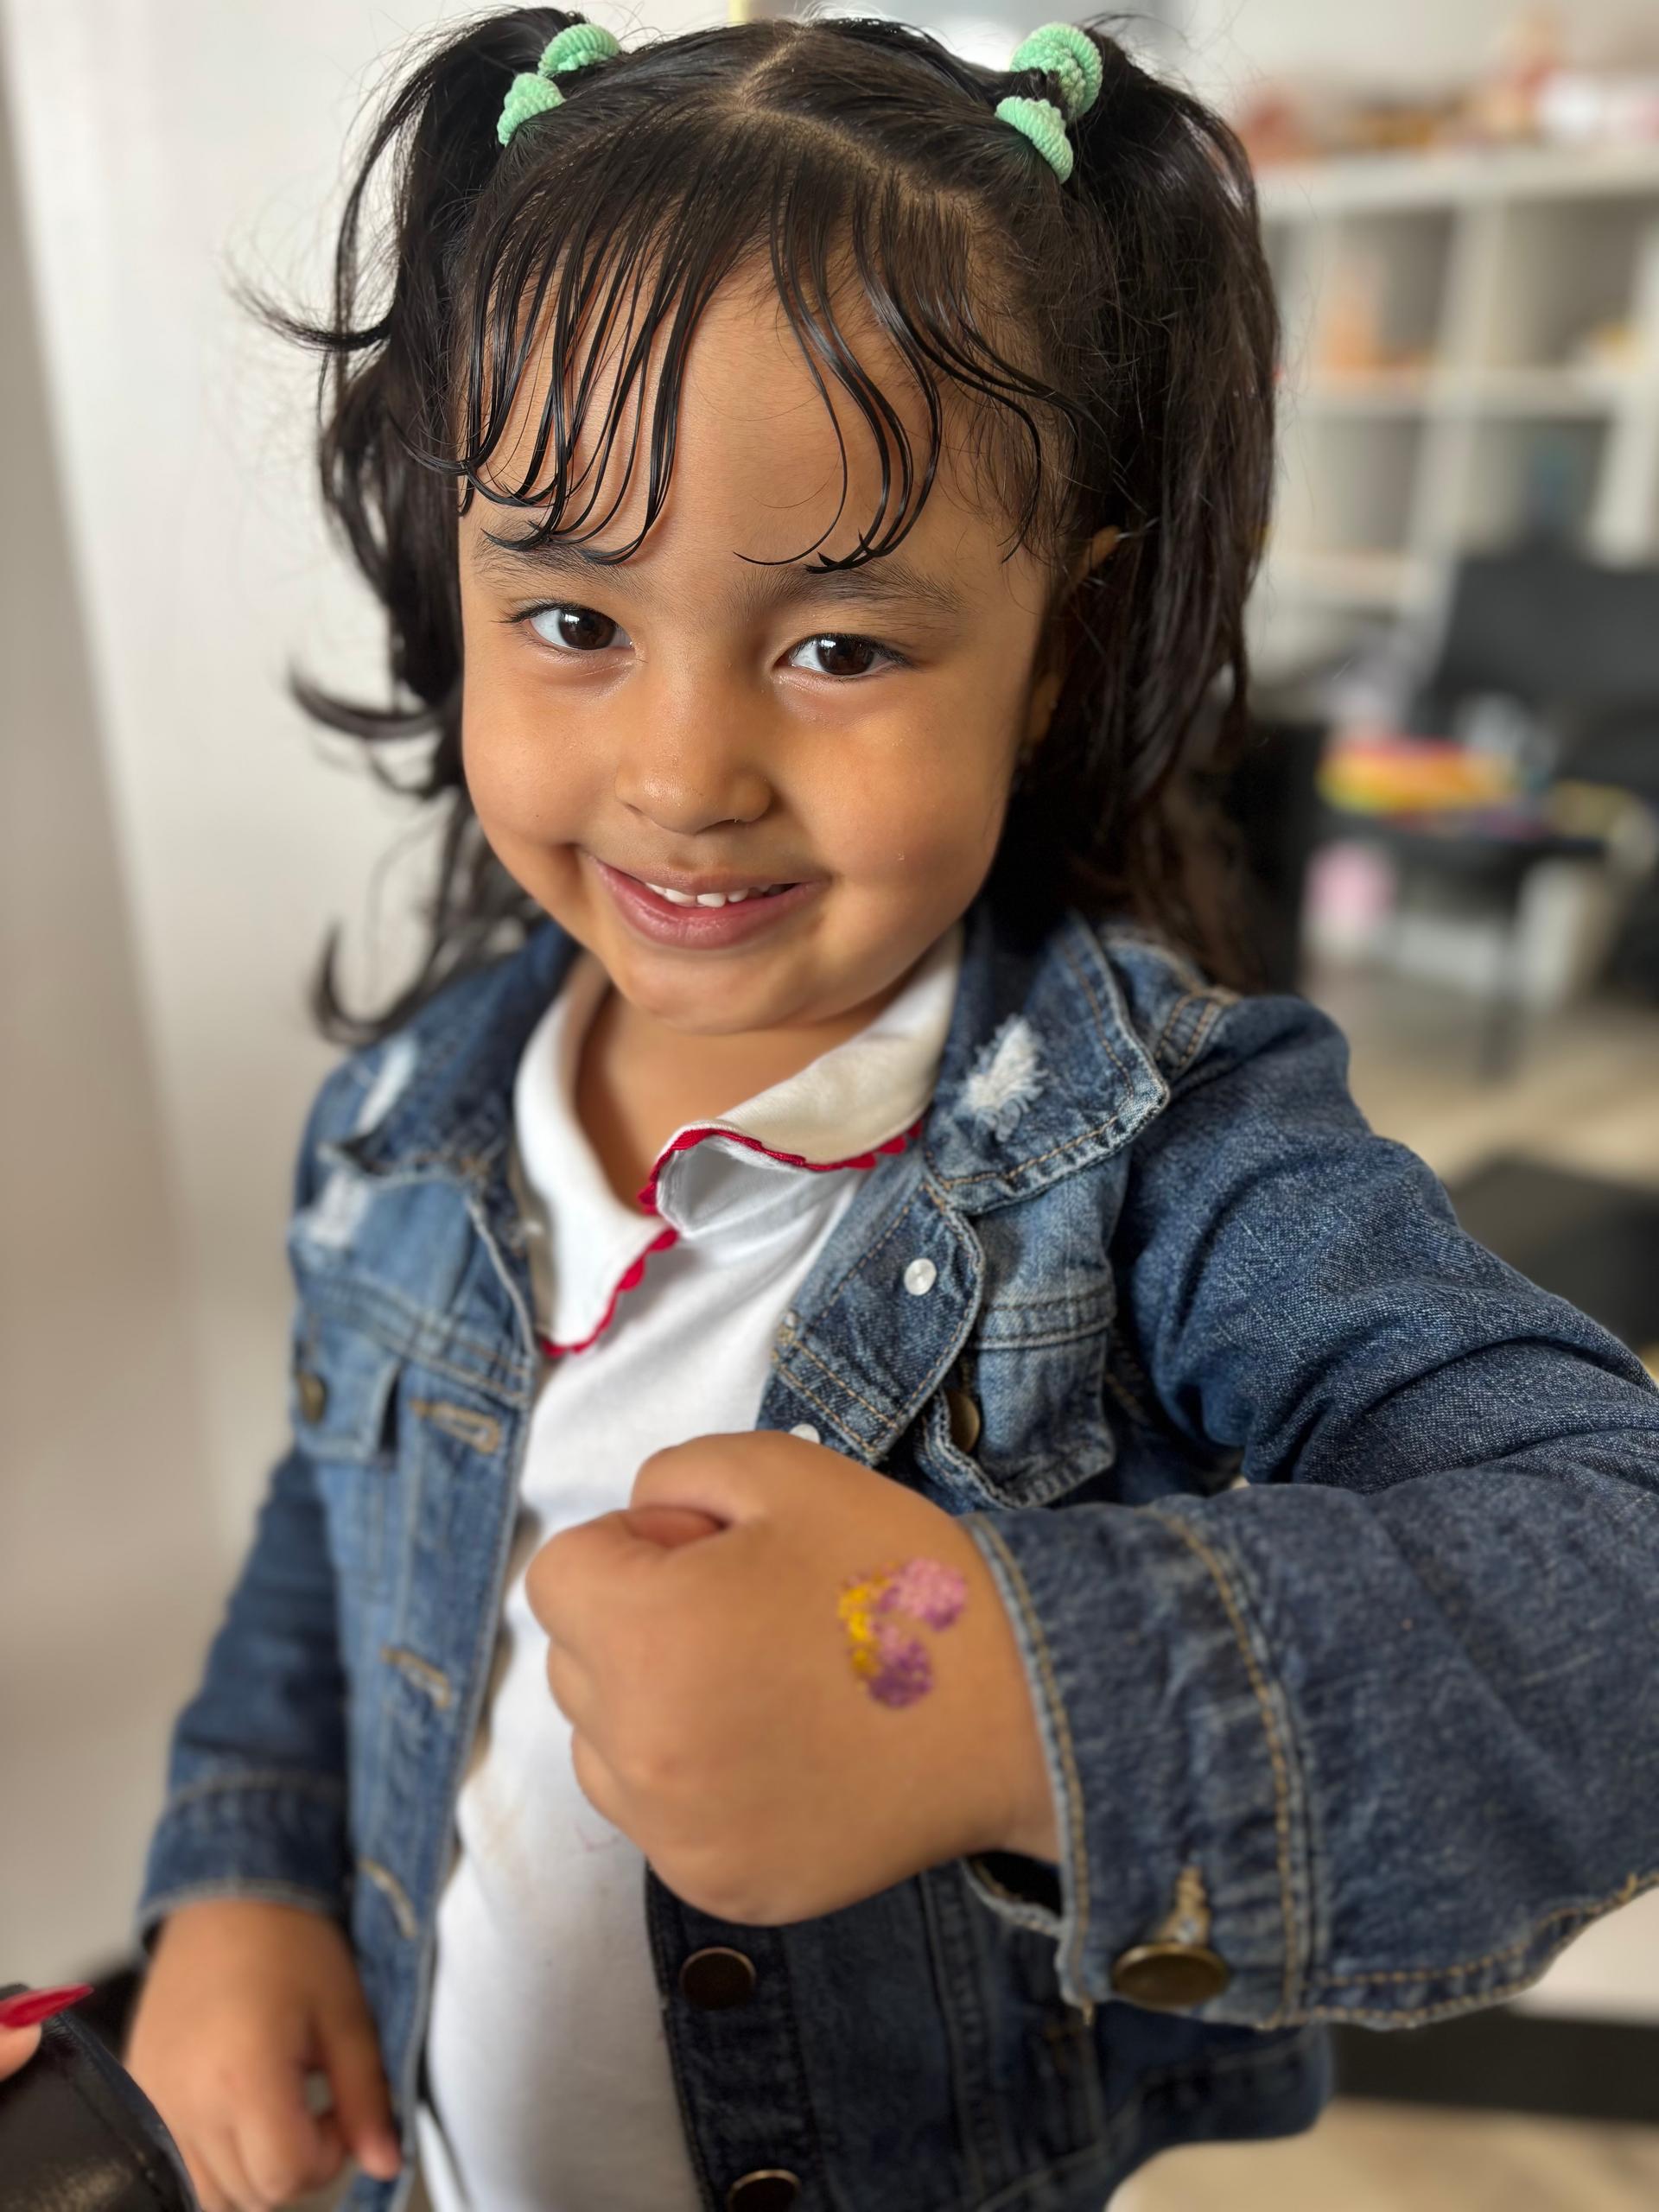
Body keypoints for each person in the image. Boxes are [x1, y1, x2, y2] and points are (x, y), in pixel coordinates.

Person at [120, 10, 1659, 2212]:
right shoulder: (399, 1128)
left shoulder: (1164, 1160)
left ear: (1054, 645)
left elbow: (1620, 1567)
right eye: (569, 613)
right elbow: (319, 1550)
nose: (680, 769)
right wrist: (242, 1873)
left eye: (840, 646)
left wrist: (986, 1694)